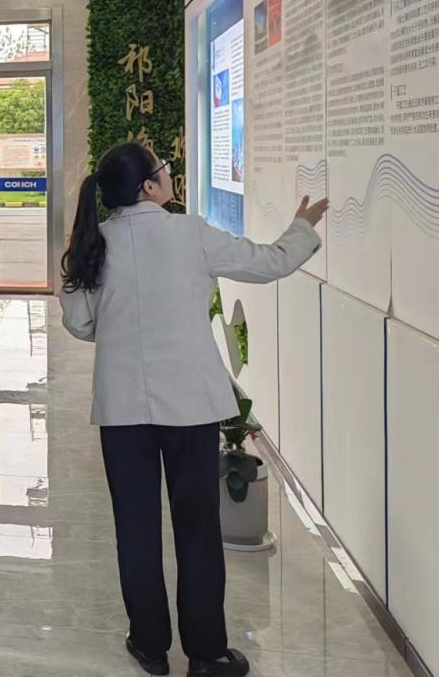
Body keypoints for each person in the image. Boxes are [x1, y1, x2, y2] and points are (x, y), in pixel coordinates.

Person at [60, 141, 327, 677]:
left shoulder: (94, 242)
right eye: (163, 168)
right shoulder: (191, 233)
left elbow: (79, 323)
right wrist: (302, 226)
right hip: (191, 407)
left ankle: (149, 645)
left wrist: (123, 336)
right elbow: (270, 262)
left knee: (134, 527)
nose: (169, 173)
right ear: (149, 187)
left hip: (122, 408)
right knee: (198, 528)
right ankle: (207, 654)